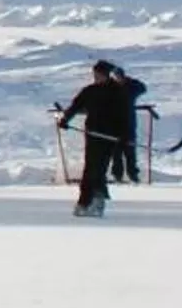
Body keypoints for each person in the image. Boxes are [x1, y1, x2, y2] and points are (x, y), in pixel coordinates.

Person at [56, 59, 137, 216]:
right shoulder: (90, 91)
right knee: (89, 169)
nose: (96, 77)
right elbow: (75, 105)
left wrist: (125, 136)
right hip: (92, 134)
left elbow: (125, 116)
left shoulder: (118, 92)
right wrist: (65, 120)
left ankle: (97, 201)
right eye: (95, 74)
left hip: (110, 137)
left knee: (98, 169)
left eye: (99, 74)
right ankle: (84, 201)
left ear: (106, 75)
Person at [107, 62, 150, 185]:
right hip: (113, 125)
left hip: (128, 124)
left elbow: (142, 87)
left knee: (130, 151)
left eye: (119, 76)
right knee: (116, 153)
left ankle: (133, 175)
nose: (118, 79)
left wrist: (129, 82)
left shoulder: (130, 87)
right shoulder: (109, 89)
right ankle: (117, 175)